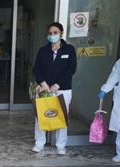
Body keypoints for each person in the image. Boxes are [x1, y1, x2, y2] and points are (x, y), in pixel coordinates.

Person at [32, 22, 77, 155]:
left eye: (55, 32)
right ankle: (39, 143)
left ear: (61, 33)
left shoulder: (69, 50)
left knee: (61, 117)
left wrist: (58, 84)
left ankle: (61, 145)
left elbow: (71, 69)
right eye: (50, 33)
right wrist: (43, 83)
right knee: (41, 116)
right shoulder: (43, 51)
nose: (52, 35)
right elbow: (36, 69)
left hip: (63, 89)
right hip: (44, 89)